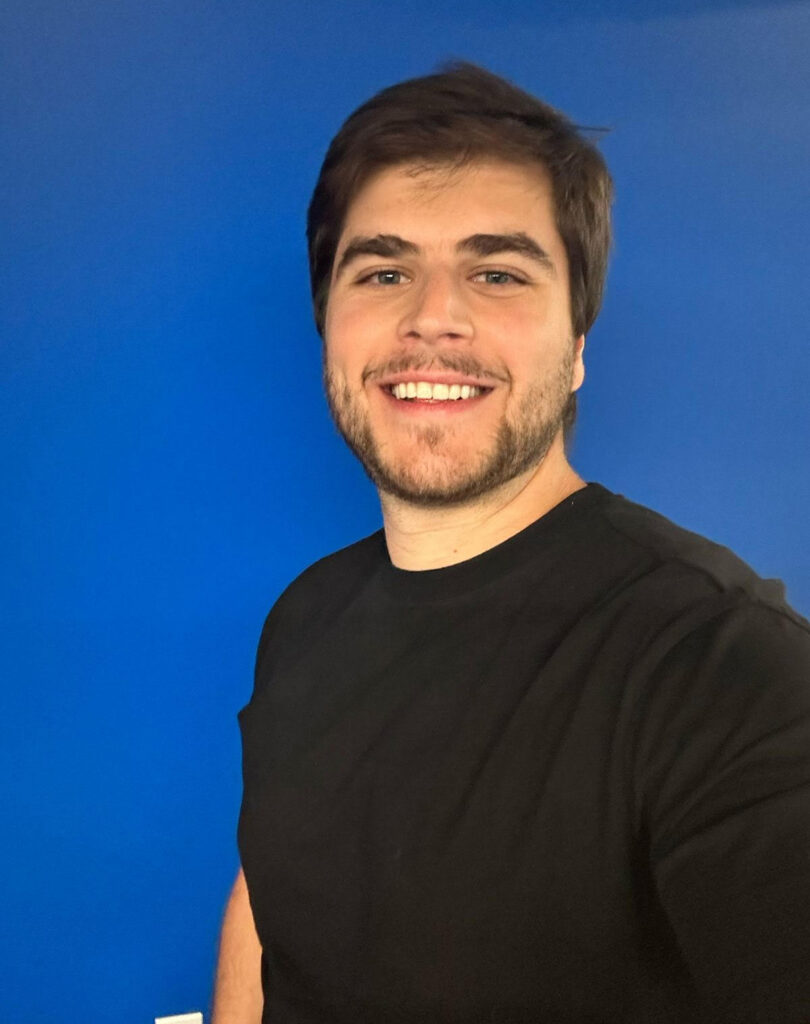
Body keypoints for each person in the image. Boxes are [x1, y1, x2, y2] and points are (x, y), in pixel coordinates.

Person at [211, 63, 810, 1024]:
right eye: (384, 271)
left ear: (577, 349)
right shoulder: (303, 617)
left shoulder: (724, 670)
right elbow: (268, 893)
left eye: (497, 273)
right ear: (328, 326)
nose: (433, 317)